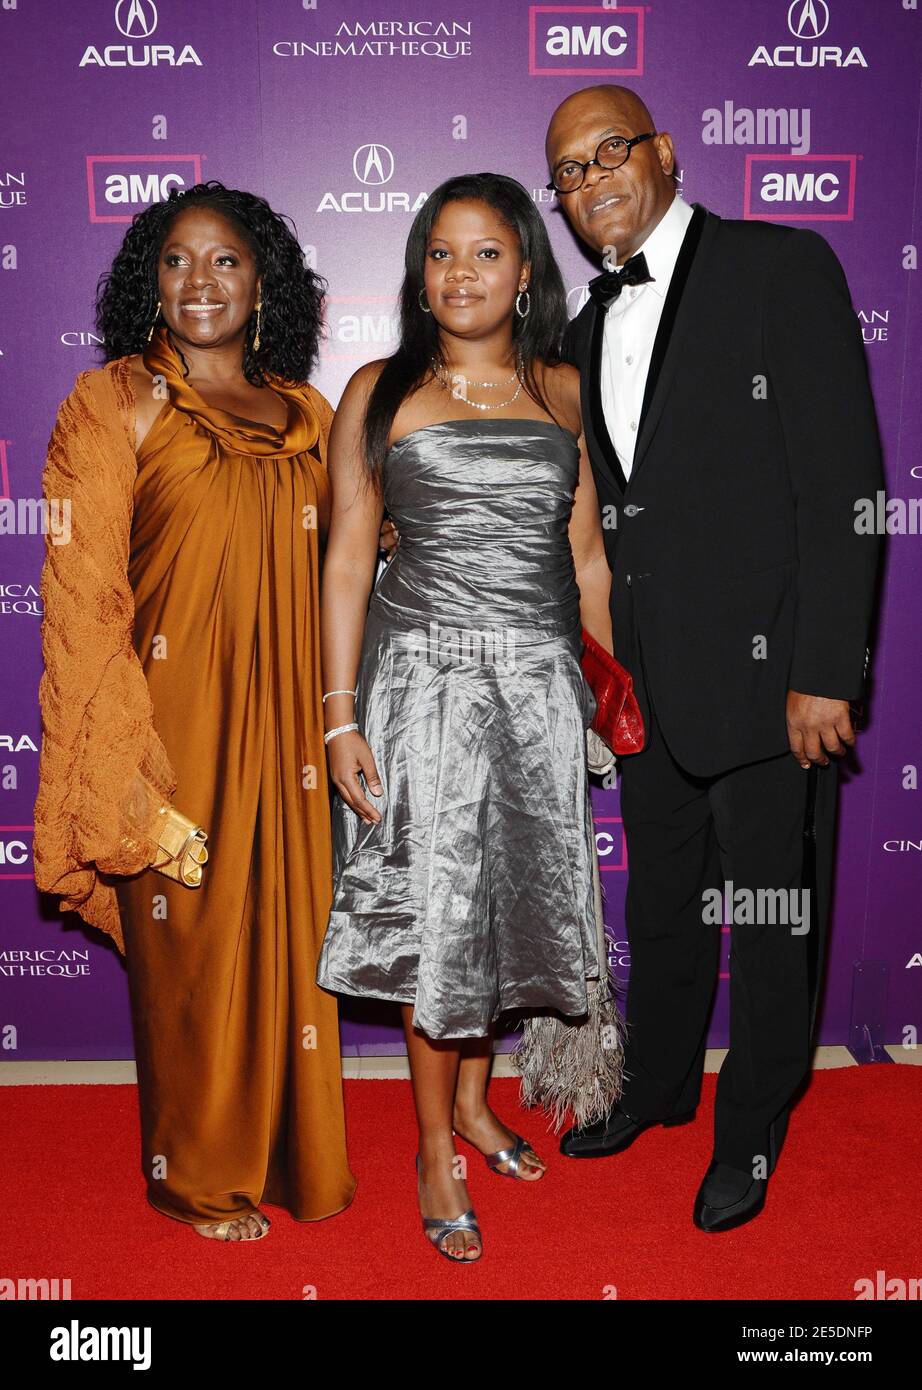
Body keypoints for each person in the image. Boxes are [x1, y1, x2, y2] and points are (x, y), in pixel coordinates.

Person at [544, 86, 884, 1231]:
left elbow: (843, 482)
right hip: (645, 685)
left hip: (771, 682)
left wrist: (827, 669)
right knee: (664, 911)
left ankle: (753, 1125)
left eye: (609, 154)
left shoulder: (779, 269)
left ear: (665, 153)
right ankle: (659, 1088)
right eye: (569, 174)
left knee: (776, 918)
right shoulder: (581, 334)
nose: (592, 183)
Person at [33, 181, 357, 1241]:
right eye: (177, 261)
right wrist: (118, 770)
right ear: (148, 281)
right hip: (169, 725)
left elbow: (365, 565)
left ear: (264, 280)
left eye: (226, 261)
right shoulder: (112, 400)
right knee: (195, 948)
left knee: (287, 937)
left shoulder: (311, 414)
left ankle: (290, 1157)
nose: (201, 282)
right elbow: (82, 598)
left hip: (294, 726)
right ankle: (193, 1176)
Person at [315, 173, 616, 1262]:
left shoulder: (563, 391)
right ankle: (433, 1143)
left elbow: (585, 557)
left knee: (506, 910)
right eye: (439, 254)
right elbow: (348, 557)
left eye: (485, 253)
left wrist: (605, 686)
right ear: (417, 271)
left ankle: (483, 1108)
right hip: (420, 690)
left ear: (525, 269)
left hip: (536, 688)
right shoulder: (376, 391)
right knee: (440, 919)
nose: (460, 275)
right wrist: (338, 717)